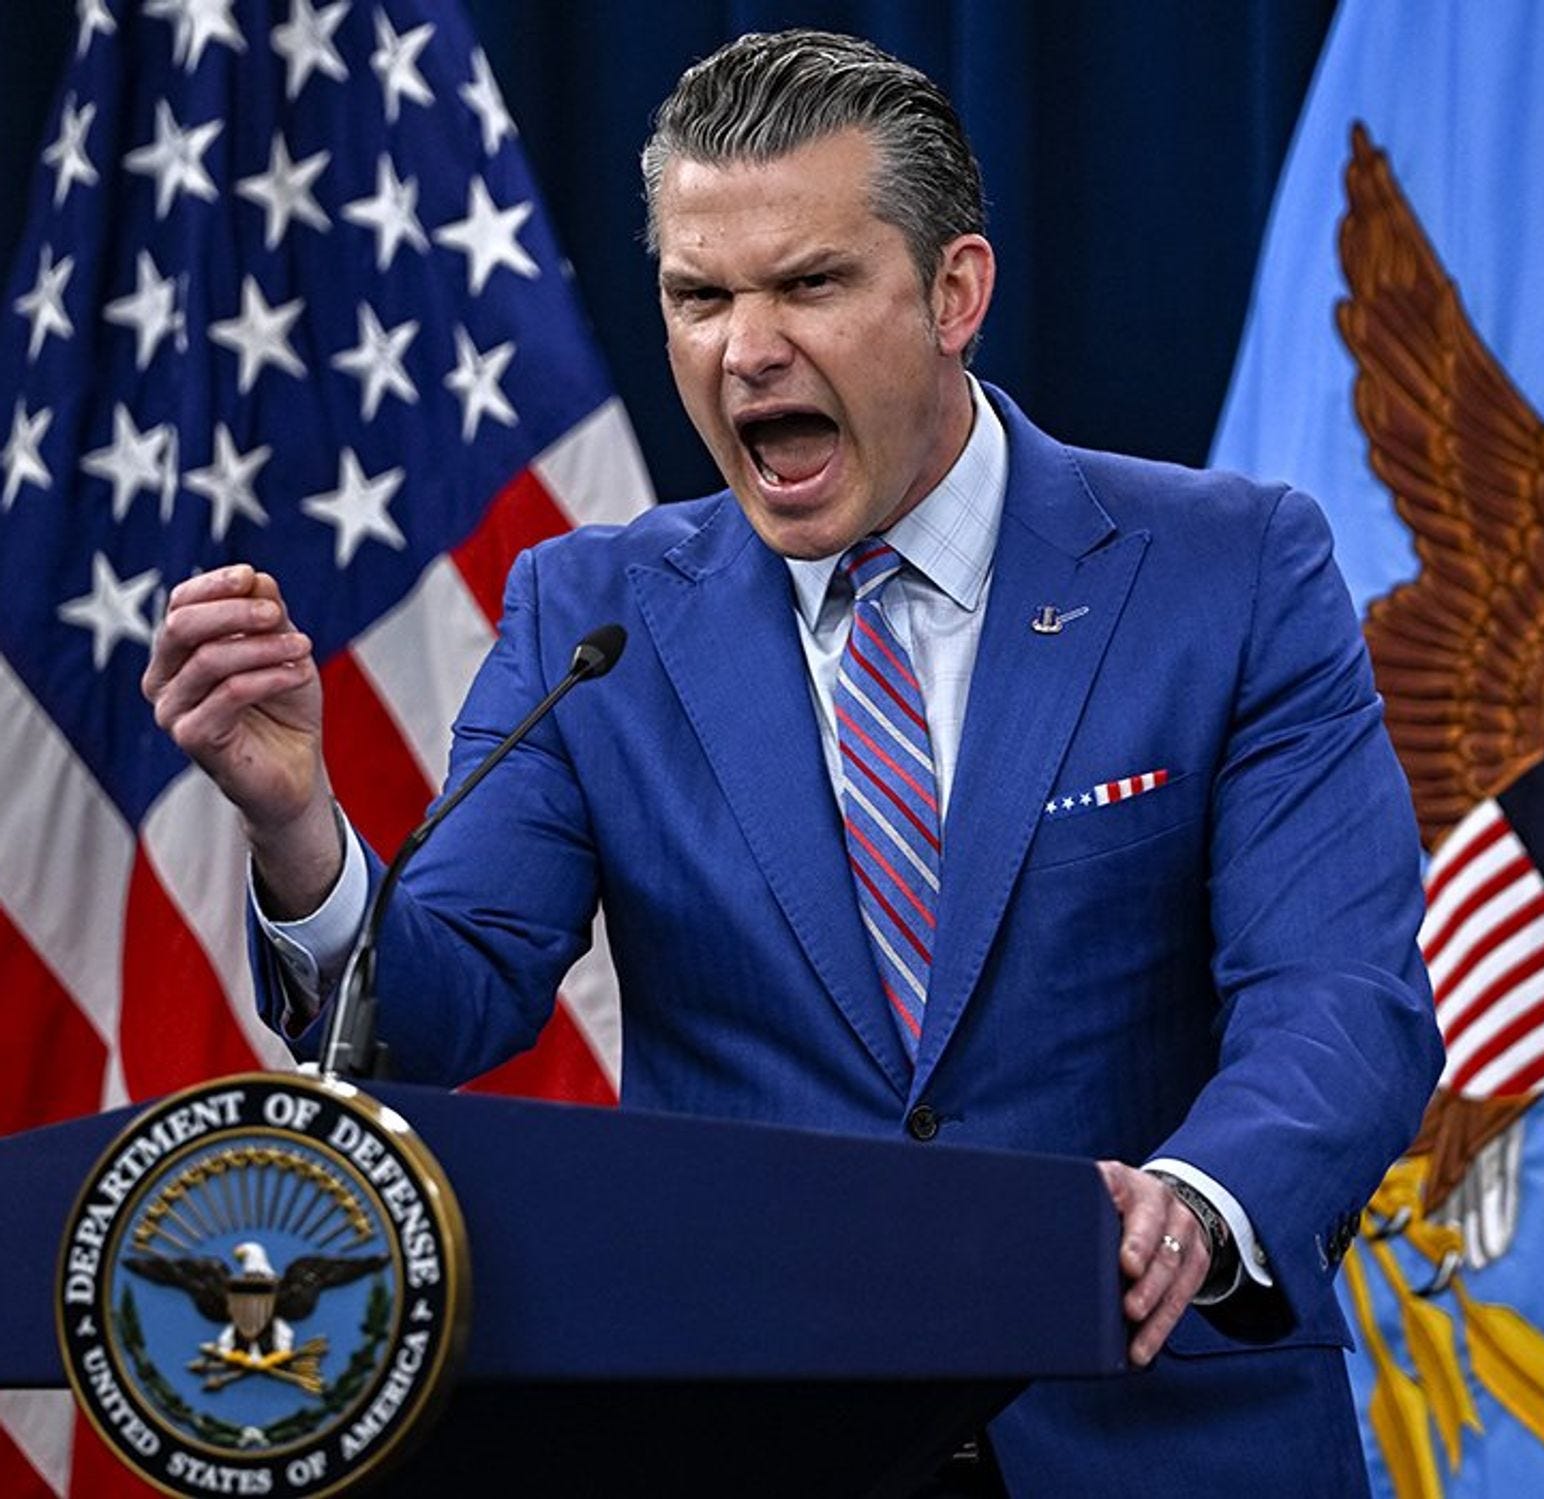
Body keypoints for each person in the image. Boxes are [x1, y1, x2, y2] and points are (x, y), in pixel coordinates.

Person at [143, 29, 1442, 1495]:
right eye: (698, 297)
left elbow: (1344, 1000)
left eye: (809, 285)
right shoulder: (593, 614)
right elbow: (438, 1012)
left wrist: (1194, 1207)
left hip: (1156, 1433)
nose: (744, 350)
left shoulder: (1230, 571)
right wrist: (295, 825)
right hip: (758, 1441)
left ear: (955, 293)